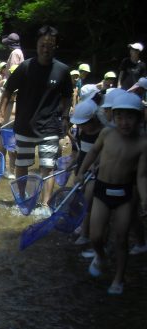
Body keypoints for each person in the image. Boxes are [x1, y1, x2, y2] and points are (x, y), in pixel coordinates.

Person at [0, 26, 73, 211]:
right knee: (22, 165)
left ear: (56, 47)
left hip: (50, 127)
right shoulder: (25, 67)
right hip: (25, 125)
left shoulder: (62, 70)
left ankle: (45, 205)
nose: (46, 49)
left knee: (48, 167)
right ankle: (22, 199)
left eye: (50, 46)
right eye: (42, 45)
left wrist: (65, 116)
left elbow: (67, 95)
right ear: (37, 45)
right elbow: (8, 90)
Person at [75, 92, 147, 295]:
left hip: (125, 193)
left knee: (121, 238)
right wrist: (81, 171)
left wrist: (145, 200)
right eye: (120, 117)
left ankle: (119, 279)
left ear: (139, 118)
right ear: (113, 117)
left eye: (130, 117)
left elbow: (142, 176)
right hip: (102, 189)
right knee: (96, 236)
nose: (124, 122)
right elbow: (93, 152)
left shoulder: (142, 143)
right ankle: (101, 255)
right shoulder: (107, 134)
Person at [68, 100, 102, 251]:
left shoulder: (102, 134)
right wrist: (74, 162)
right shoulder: (81, 132)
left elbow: (102, 154)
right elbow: (82, 151)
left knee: (88, 202)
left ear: (94, 120)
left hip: (95, 174)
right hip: (81, 170)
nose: (81, 127)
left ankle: (85, 233)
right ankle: (82, 225)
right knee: (79, 199)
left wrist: (95, 165)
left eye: (84, 123)